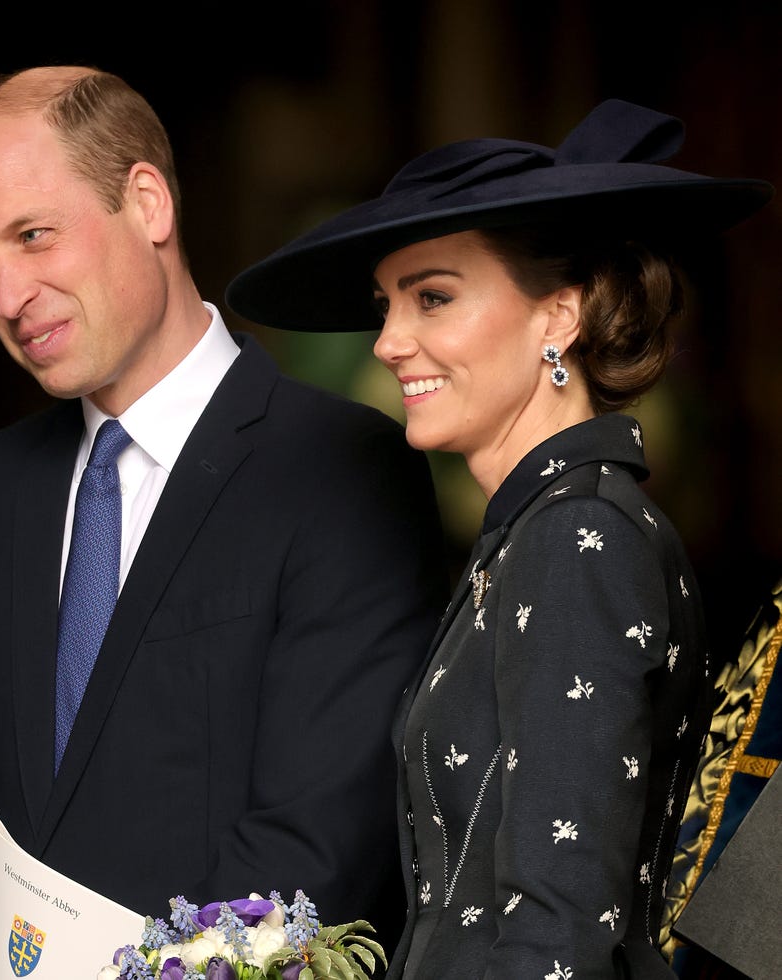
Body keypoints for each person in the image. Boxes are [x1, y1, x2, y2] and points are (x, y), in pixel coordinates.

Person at [0, 65, 452, 978]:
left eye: (33, 236)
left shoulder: (341, 472)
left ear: (149, 202)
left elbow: (315, 850)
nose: (7, 296)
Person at [225, 99, 774, 978]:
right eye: (387, 303)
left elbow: (560, 930)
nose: (391, 341)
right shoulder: (538, 532)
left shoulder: (578, 538)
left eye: (433, 296)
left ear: (561, 315)